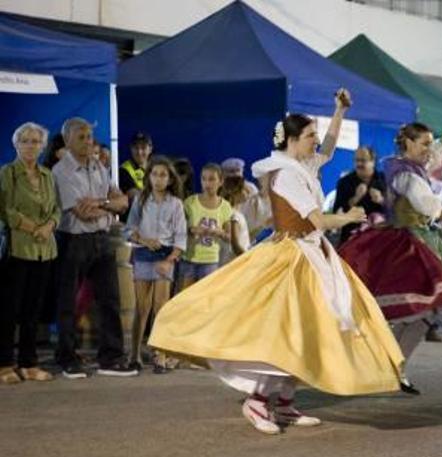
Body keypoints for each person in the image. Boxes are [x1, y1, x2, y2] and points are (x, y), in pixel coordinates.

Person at [149, 89, 405, 435]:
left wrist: (338, 110)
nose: (316, 140)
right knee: (283, 330)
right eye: (310, 135)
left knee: (310, 328)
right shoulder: (286, 175)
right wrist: (348, 217)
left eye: (315, 134)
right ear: (295, 141)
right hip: (291, 258)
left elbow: (327, 150)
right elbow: (316, 220)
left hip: (312, 256)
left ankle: (284, 403)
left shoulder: (302, 164)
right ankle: (257, 400)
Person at [338, 109, 442, 395]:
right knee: (414, 310)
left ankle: (393, 368)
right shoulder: (407, 176)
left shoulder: (410, 165)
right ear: (407, 143)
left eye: (429, 143)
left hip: (421, 241)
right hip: (411, 246)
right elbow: (432, 209)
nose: (429, 149)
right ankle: (380, 365)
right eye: (424, 143)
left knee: (422, 313)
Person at [52, 117, 137, 379]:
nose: (89, 142)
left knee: (110, 299)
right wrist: (108, 205)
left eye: (90, 136)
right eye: (82, 137)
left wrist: (102, 203)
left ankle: (110, 358)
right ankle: (67, 357)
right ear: (67, 140)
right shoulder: (60, 171)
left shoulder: (99, 167)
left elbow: (122, 202)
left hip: (102, 240)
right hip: (73, 241)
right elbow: (82, 211)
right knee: (67, 303)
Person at [0, 122, 60, 384]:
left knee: (33, 311)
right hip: (18, 248)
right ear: (16, 144)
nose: (30, 145)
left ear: (43, 145)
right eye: (25, 140)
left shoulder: (48, 174)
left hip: (45, 250)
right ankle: (4, 364)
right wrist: (33, 227)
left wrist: (49, 226)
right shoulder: (7, 173)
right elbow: (5, 209)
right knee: (8, 310)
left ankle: (29, 363)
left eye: (35, 141)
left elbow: (57, 209)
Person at [125, 156, 187, 373]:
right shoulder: (141, 200)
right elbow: (129, 229)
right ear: (148, 177)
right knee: (142, 308)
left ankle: (160, 355)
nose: (158, 179)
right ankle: (134, 354)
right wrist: (143, 240)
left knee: (160, 310)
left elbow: (180, 238)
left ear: (170, 179)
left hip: (164, 256)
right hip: (142, 253)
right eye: (154, 174)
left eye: (163, 175)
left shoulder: (176, 204)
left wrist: (169, 260)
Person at [179, 164, 233, 290]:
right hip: (189, 258)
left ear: (221, 181)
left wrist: (219, 233)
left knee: (205, 298)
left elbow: (229, 237)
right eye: (204, 179)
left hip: (210, 260)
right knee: (185, 297)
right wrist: (191, 229)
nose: (207, 183)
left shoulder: (225, 206)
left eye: (212, 179)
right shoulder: (190, 202)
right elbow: (178, 230)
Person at [332, 147, 386, 243]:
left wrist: (381, 200)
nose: (359, 164)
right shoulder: (344, 182)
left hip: (380, 239)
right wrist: (355, 198)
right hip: (352, 239)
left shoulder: (385, 180)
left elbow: (396, 210)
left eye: (363, 160)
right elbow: (337, 213)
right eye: (356, 160)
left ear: (373, 161)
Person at [119, 132, 153, 220]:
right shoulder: (124, 170)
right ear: (131, 149)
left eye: (143, 148)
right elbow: (135, 197)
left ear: (150, 149)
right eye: (136, 148)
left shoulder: (156, 168)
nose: (139, 152)